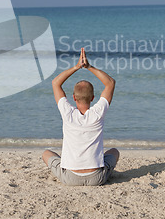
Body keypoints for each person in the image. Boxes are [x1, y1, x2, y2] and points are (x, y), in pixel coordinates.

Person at [42, 47, 119, 186]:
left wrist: (77, 67)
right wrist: (89, 67)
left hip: (71, 178)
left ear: (73, 97)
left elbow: (55, 83)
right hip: (96, 178)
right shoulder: (97, 113)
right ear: (93, 98)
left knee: (46, 154)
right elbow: (110, 83)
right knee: (114, 152)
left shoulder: (67, 113)